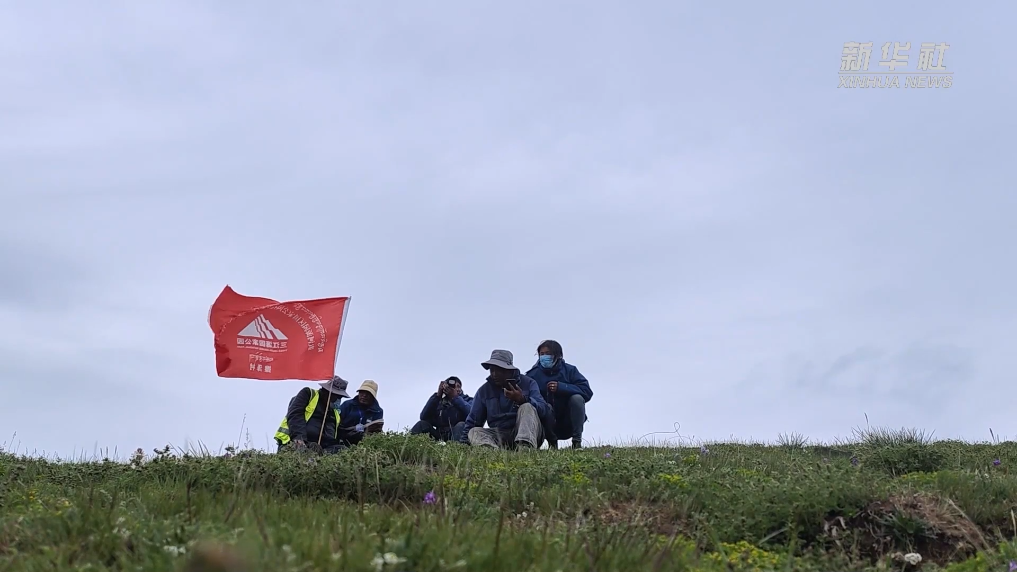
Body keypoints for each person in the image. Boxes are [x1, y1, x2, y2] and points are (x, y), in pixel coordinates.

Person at [464, 349, 549, 449]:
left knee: (526, 406)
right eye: (492, 370)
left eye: (499, 370)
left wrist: (522, 399)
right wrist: (463, 444)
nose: (494, 374)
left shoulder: (529, 383)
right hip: (500, 434)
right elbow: (473, 421)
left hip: (528, 432)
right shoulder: (484, 391)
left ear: (509, 370)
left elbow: (544, 410)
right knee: (473, 432)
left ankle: (525, 448)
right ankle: (491, 451)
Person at [526, 340, 593, 449]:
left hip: (568, 419)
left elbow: (587, 391)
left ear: (558, 355)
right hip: (545, 421)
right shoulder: (532, 375)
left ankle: (577, 443)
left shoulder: (570, 370)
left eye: (548, 353)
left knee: (577, 398)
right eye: (542, 354)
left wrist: (562, 387)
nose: (544, 357)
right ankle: (552, 444)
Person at [274, 375, 350, 453]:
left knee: (343, 450)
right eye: (336, 396)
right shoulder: (309, 394)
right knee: (309, 450)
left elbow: (342, 433)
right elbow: (295, 415)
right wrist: (299, 438)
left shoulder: (335, 413)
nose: (337, 399)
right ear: (327, 391)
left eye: (340, 397)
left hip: (324, 448)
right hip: (297, 443)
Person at [410, 376, 473, 443]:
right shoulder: (439, 402)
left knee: (460, 425)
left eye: (458, 386)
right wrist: (437, 396)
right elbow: (424, 417)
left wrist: (455, 398)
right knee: (421, 424)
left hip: (457, 433)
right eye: (451, 386)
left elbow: (472, 414)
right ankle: (407, 446)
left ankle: (456, 448)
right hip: (439, 434)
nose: (455, 388)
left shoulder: (467, 400)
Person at [336, 380, 385, 446]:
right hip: (343, 441)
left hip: (364, 444)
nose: (364, 395)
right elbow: (337, 424)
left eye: (368, 393)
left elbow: (376, 432)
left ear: (373, 396)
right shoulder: (347, 405)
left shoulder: (378, 411)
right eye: (362, 392)